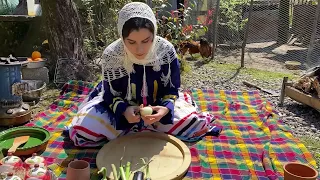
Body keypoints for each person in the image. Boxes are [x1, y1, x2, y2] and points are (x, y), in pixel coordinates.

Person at [68, 2, 221, 147]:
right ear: (122, 38)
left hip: (157, 106)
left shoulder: (165, 51)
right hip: (121, 109)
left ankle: (139, 129)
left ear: (154, 34)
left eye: (146, 40)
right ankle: (142, 128)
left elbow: (172, 89)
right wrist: (124, 110)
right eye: (131, 42)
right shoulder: (112, 55)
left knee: (192, 122)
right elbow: (110, 94)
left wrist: (165, 109)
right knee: (84, 129)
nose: (140, 49)